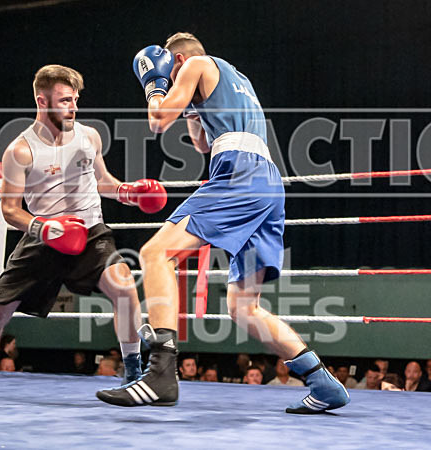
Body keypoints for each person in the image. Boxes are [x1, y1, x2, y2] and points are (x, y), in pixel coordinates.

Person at [95, 33, 348, 414]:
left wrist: (155, 85)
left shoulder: (196, 64)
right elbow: (201, 145)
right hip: (267, 183)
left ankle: (161, 373)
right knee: (244, 307)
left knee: (154, 254)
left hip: (239, 174)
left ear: (177, 60)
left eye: (170, 66)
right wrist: (194, 112)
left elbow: (159, 120)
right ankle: (323, 383)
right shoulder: (236, 79)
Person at [0, 64, 164, 398]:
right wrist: (45, 228)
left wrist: (130, 193)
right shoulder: (20, 150)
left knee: (125, 288)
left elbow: (103, 182)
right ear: (42, 101)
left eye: (75, 99)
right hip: (44, 236)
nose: (73, 107)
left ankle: (133, 373)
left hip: (90, 232)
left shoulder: (89, 137)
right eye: (65, 100)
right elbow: (10, 209)